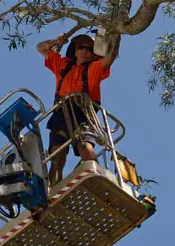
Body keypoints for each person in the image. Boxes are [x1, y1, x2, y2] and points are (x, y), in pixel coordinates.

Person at [35, 31, 116, 184]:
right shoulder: (63, 65)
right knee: (57, 153)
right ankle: (53, 189)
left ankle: (97, 180)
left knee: (85, 146)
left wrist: (113, 33)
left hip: (83, 113)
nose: (85, 52)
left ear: (94, 55)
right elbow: (41, 48)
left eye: (90, 49)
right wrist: (56, 41)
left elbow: (111, 57)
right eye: (82, 48)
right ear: (76, 50)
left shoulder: (95, 68)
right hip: (61, 112)